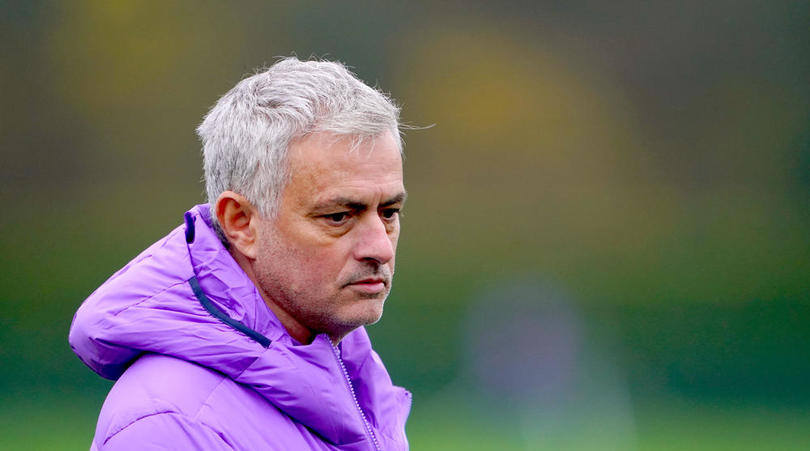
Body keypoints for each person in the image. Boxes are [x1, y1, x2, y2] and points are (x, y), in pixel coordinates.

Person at [69, 57, 411, 450]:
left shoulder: (352, 376)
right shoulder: (173, 427)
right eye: (338, 216)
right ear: (242, 223)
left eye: (389, 212)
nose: (380, 247)